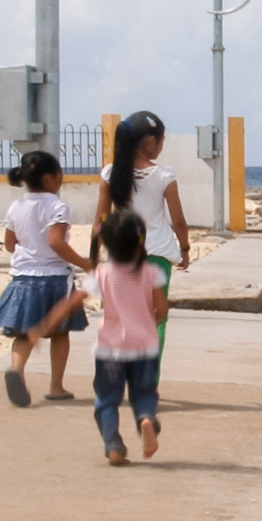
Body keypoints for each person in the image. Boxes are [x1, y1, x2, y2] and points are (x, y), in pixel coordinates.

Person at [32, 210, 168, 466]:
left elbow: (72, 302)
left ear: (106, 244)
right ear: (141, 243)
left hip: (110, 350)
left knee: (106, 399)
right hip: (145, 348)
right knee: (144, 393)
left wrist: (43, 326)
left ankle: (114, 445)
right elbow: (162, 309)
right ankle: (146, 418)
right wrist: (151, 321)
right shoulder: (151, 273)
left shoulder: (102, 274)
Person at [0, 150, 93, 407]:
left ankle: (16, 370)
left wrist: (29, 250)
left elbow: (10, 244)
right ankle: (56, 387)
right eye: (60, 175)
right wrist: (84, 263)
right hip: (55, 279)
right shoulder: (57, 206)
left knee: (23, 333)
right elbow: (56, 242)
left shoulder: (16, 206)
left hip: (23, 278)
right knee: (60, 334)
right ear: (49, 179)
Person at [91, 111, 191, 359]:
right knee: (156, 318)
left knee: (120, 317)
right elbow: (178, 220)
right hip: (157, 255)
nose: (161, 146)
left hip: (121, 256)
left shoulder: (109, 174)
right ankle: (147, 381)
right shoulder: (165, 175)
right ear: (149, 141)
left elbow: (101, 220)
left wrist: (94, 257)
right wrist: (185, 249)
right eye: (161, 140)